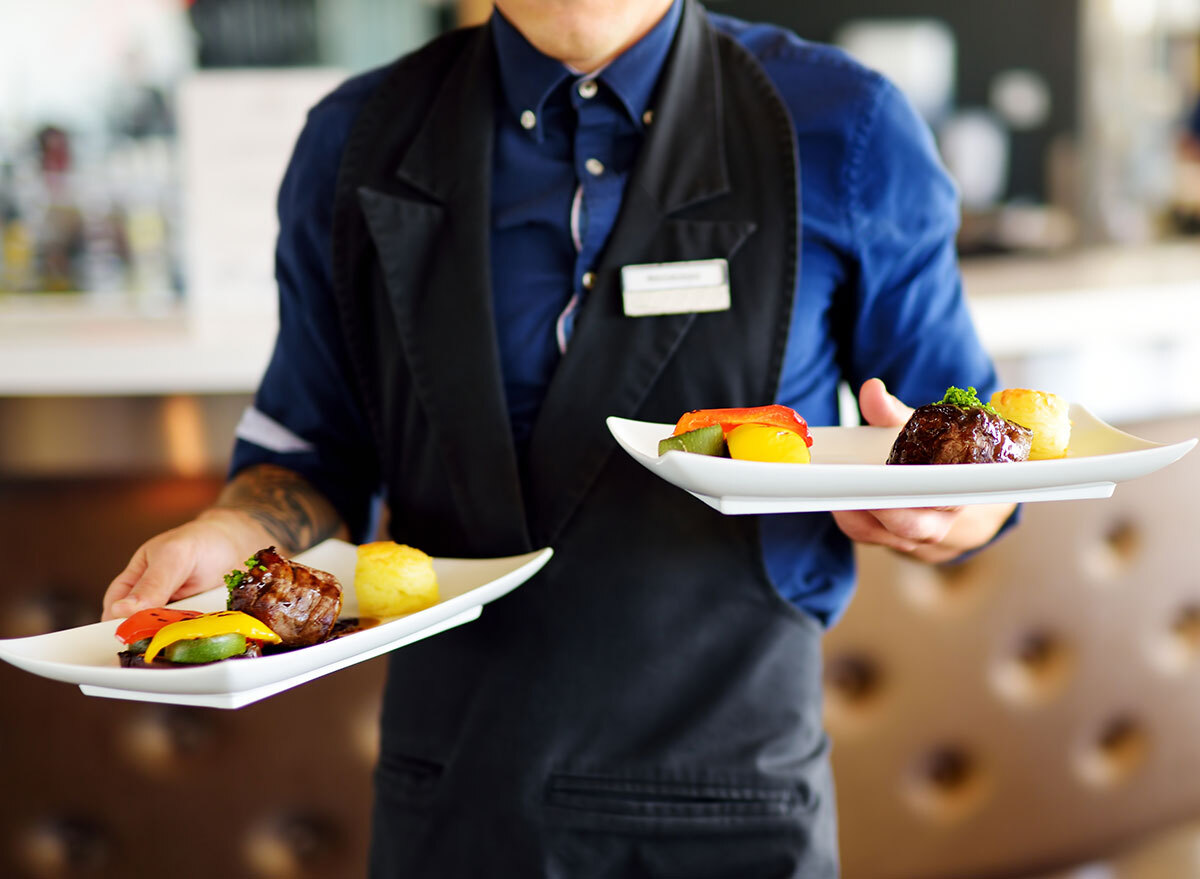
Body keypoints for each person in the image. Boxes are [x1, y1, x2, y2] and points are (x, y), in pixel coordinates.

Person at [102, 0, 1016, 875]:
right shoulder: (354, 139)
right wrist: (225, 537)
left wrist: (942, 514)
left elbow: (971, 456)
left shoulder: (845, 127)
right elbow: (311, 450)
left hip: (728, 805)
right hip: (451, 802)